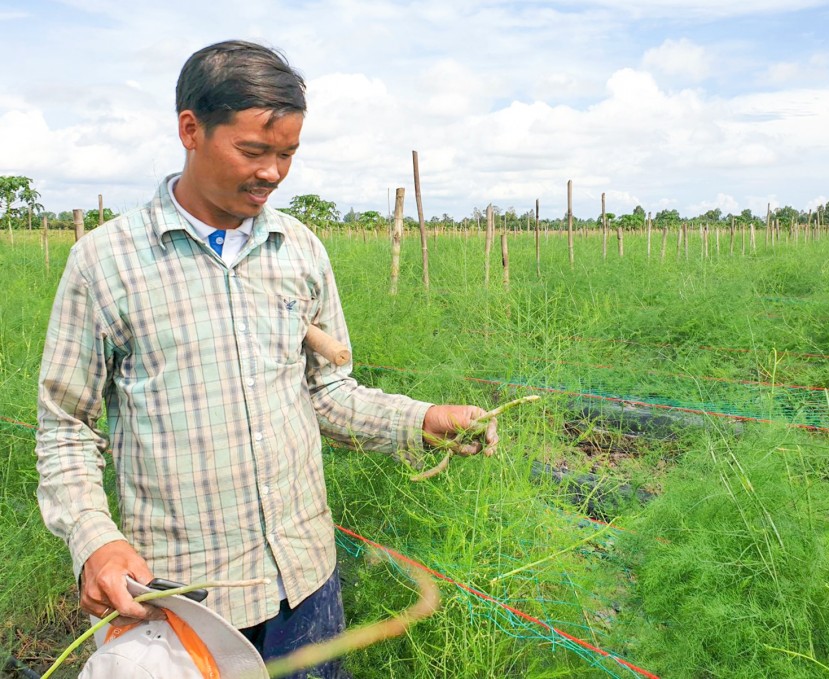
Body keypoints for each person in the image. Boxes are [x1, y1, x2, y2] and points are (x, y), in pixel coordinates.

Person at [35, 39, 497, 678]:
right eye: (253, 151)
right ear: (190, 130)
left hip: (304, 584)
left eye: (287, 154)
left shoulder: (299, 252)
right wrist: (97, 543)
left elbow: (328, 393)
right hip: (179, 602)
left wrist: (425, 419)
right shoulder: (106, 264)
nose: (274, 172)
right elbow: (65, 428)